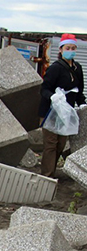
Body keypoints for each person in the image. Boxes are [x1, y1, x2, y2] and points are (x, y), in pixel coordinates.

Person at [39, 33, 85, 177]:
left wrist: (82, 103)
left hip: (66, 112)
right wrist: (52, 96)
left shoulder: (77, 68)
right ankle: (47, 176)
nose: (70, 51)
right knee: (51, 144)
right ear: (61, 49)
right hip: (51, 112)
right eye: (67, 48)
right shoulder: (55, 68)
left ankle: (51, 170)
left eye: (73, 48)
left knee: (61, 144)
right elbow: (44, 89)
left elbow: (79, 89)